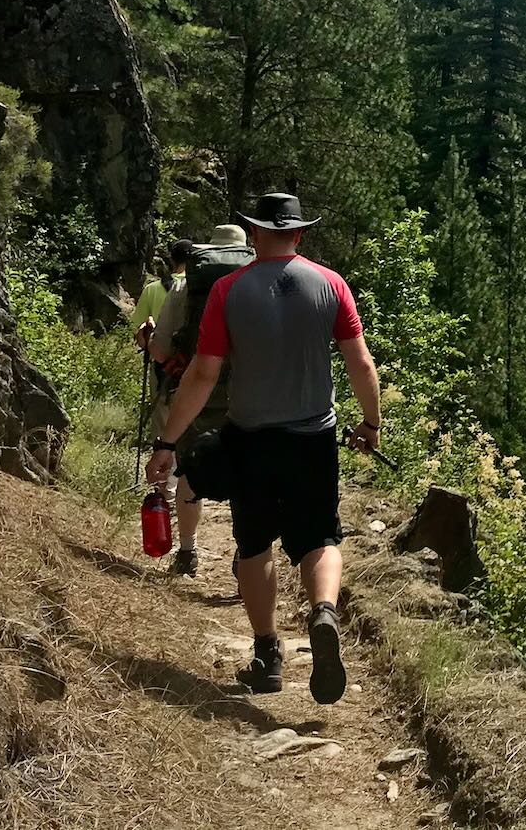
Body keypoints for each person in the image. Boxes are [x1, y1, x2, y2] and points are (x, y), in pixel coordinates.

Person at [146, 192, 381, 704]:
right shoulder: (332, 285)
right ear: (299, 233)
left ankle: (267, 655)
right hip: (314, 437)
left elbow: (203, 373)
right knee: (319, 536)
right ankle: (323, 612)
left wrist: (167, 442)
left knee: (254, 544)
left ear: (254, 233)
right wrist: (370, 423)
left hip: (249, 436)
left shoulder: (228, 290)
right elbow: (360, 363)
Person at [144, 224, 253, 576]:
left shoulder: (186, 286)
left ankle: (188, 552)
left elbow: (161, 350)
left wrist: (157, 344)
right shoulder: (260, 282)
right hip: (248, 395)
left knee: (190, 469)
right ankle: (246, 551)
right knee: (246, 473)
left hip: (193, 393)